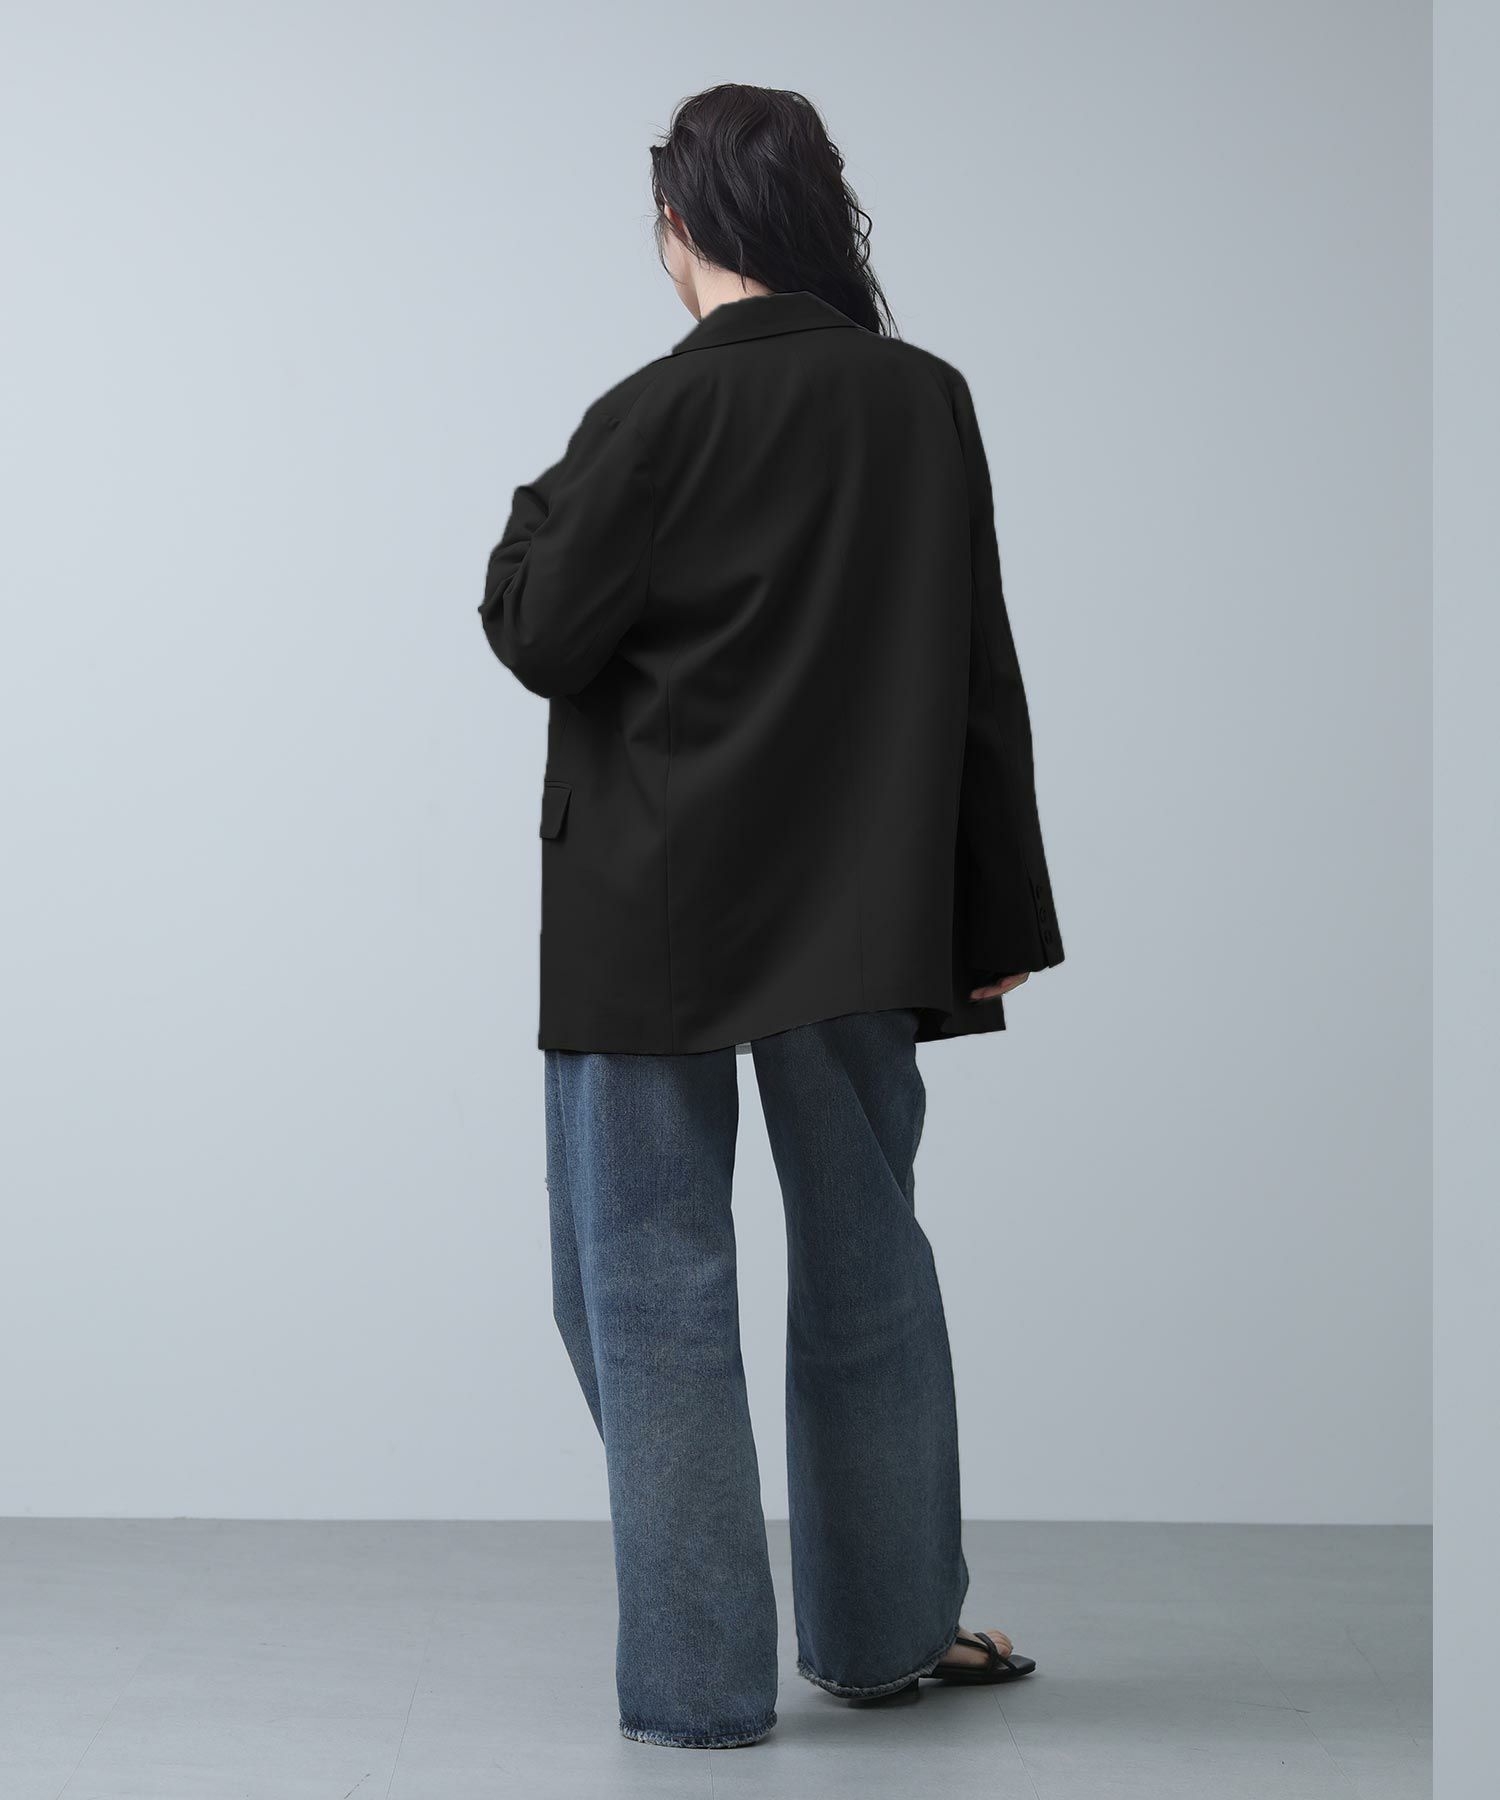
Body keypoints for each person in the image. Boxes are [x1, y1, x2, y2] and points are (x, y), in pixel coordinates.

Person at [478, 83, 1064, 1750]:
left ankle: (700, 1685)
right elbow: (980, 669)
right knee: (869, 1268)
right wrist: (997, 913)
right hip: (860, 914)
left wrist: (539, 503)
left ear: (681, 228)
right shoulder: (922, 400)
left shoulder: (649, 415)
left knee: (642, 1292)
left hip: (647, 915)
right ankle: (887, 1636)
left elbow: (537, 629)